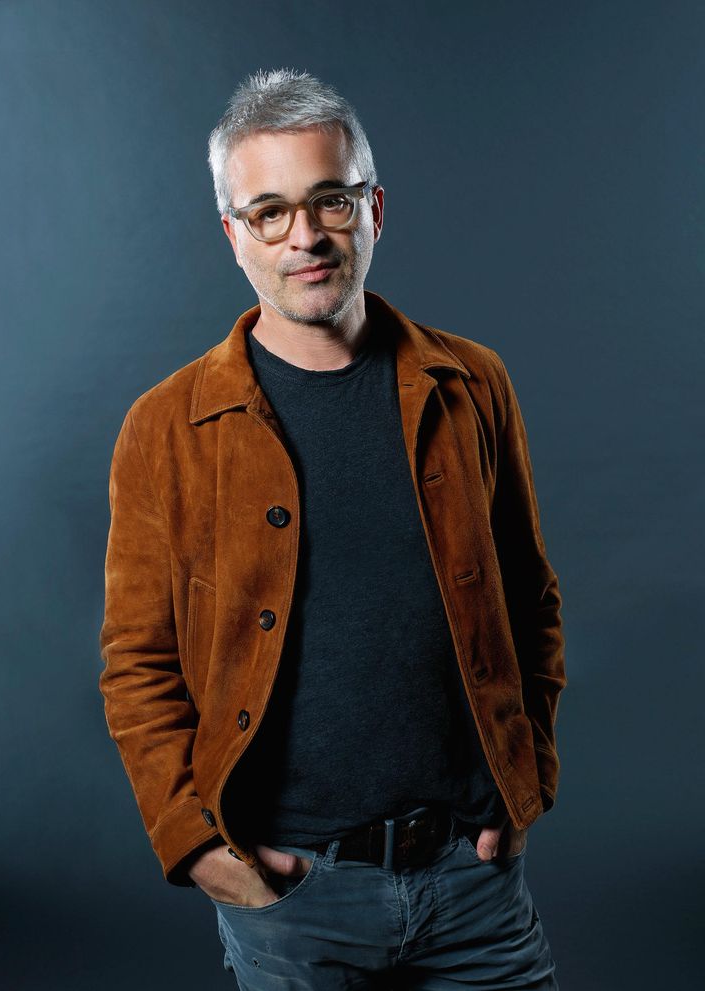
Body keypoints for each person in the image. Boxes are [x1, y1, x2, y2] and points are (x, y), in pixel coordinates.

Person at [99, 67, 567, 989]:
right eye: (269, 212)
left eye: (331, 201)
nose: (305, 236)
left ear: (374, 209)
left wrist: (529, 780)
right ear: (234, 235)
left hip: (473, 881)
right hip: (292, 896)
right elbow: (136, 663)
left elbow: (530, 597)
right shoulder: (166, 427)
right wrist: (197, 846)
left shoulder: (471, 384)